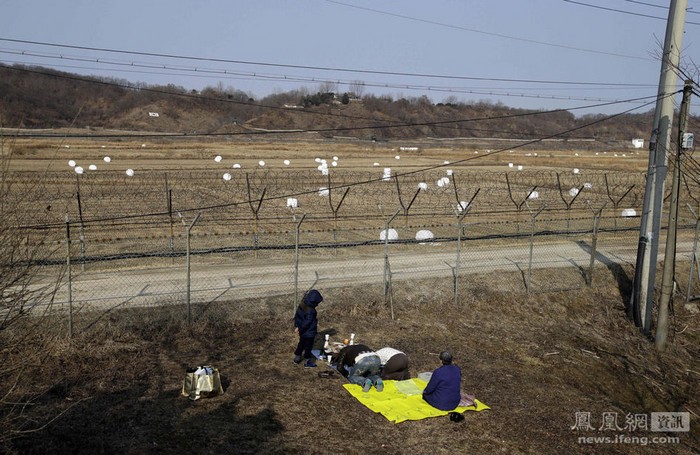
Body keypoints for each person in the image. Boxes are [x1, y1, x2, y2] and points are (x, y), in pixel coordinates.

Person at [293, 289, 323, 368]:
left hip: (303, 332)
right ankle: (307, 361)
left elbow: (297, 317)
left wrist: (297, 326)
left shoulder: (302, 305)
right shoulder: (311, 311)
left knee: (301, 344)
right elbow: (307, 322)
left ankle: (297, 358)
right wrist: (300, 328)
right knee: (308, 347)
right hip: (309, 332)